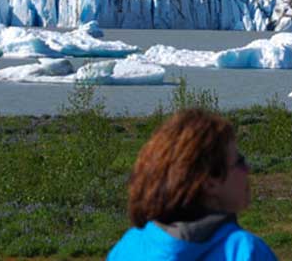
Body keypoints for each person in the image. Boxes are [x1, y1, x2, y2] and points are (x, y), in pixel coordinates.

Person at [108, 108, 277, 261]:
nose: (247, 169)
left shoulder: (128, 248)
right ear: (210, 181)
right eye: (240, 161)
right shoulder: (245, 252)